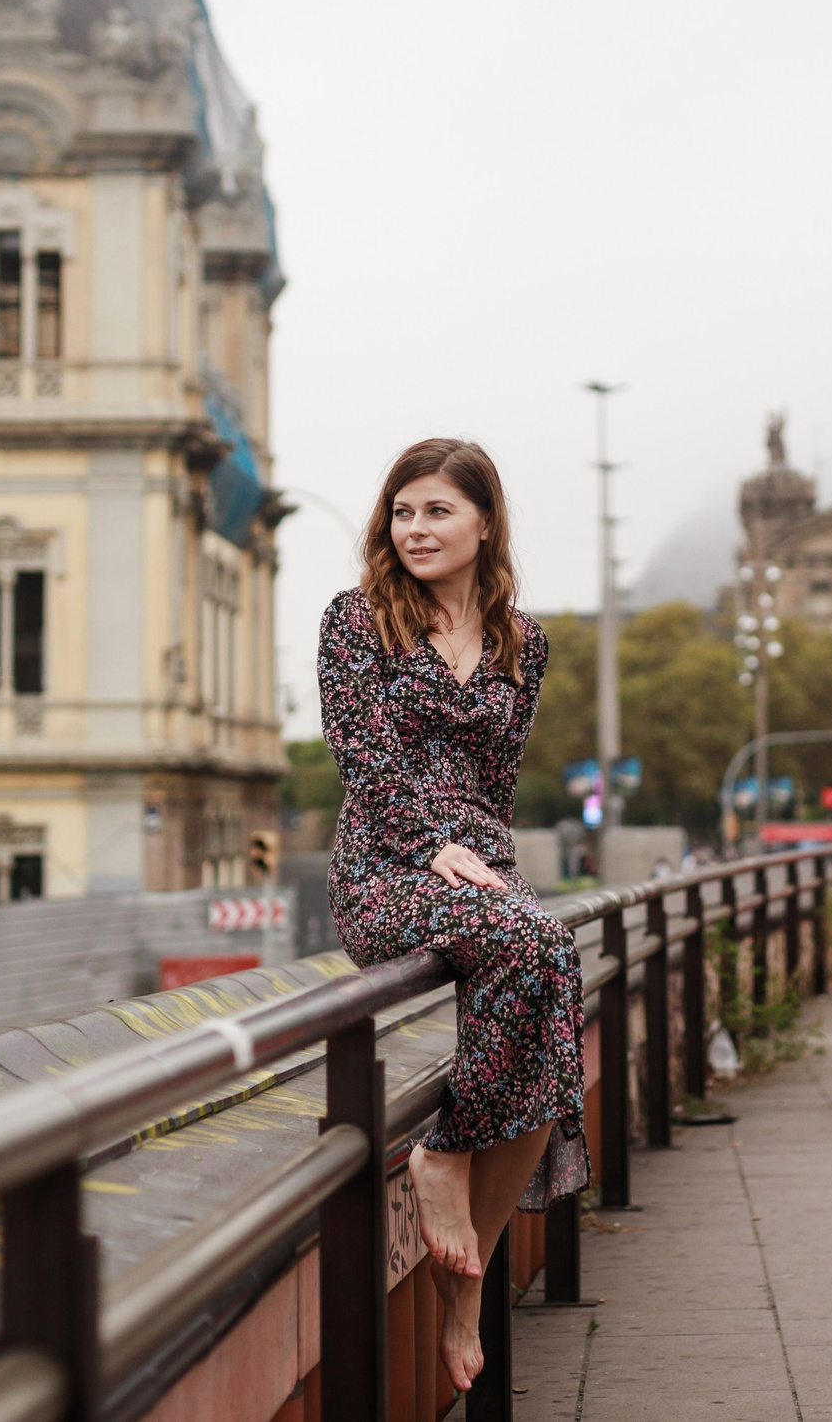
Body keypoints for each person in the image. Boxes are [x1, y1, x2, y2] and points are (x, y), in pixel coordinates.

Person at [317, 438, 585, 1392]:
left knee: (553, 972)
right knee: (529, 941)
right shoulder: (358, 622)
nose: (416, 529)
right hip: (387, 866)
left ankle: (469, 1280)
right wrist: (435, 845)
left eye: (436, 511)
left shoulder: (525, 640)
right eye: (403, 511)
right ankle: (440, 1161)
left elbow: (497, 787)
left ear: (483, 522)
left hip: (475, 866)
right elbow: (365, 763)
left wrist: (486, 865)